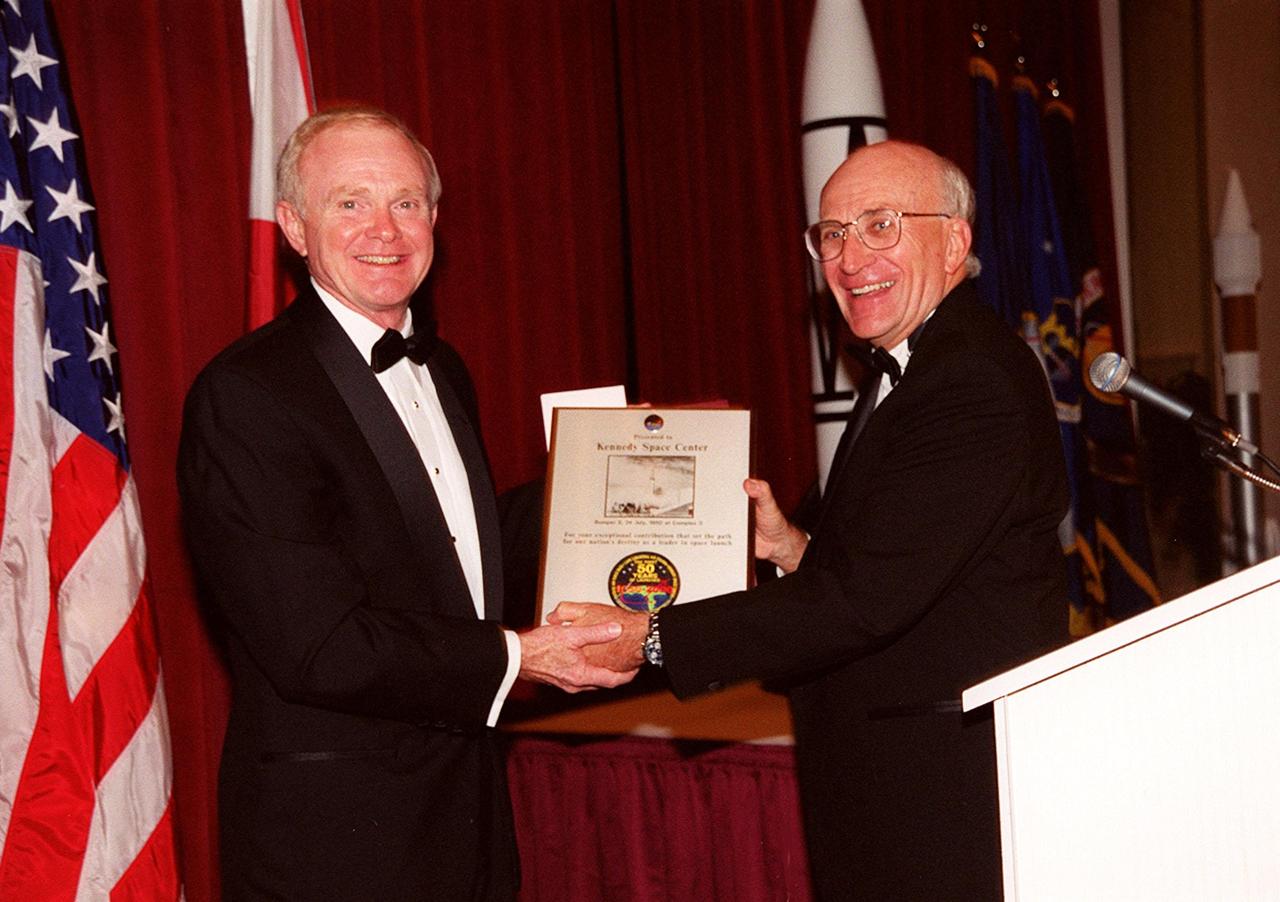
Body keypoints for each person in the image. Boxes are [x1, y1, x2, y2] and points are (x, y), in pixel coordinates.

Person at [552, 140, 1070, 900]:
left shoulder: (969, 380)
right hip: (891, 776)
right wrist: (796, 548)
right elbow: (887, 565)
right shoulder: (906, 369)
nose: (851, 256)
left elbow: (864, 600)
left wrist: (653, 636)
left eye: (881, 224)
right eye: (831, 233)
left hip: (940, 791)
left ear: (955, 241)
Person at [178, 107, 631, 901]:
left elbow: (451, 552)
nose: (383, 229)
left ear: (434, 219)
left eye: (407, 202)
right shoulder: (247, 394)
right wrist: (522, 655)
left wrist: (623, 490)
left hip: (470, 817)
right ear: (294, 225)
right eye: (349, 202)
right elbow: (318, 643)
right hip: (337, 842)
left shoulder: (444, 367)